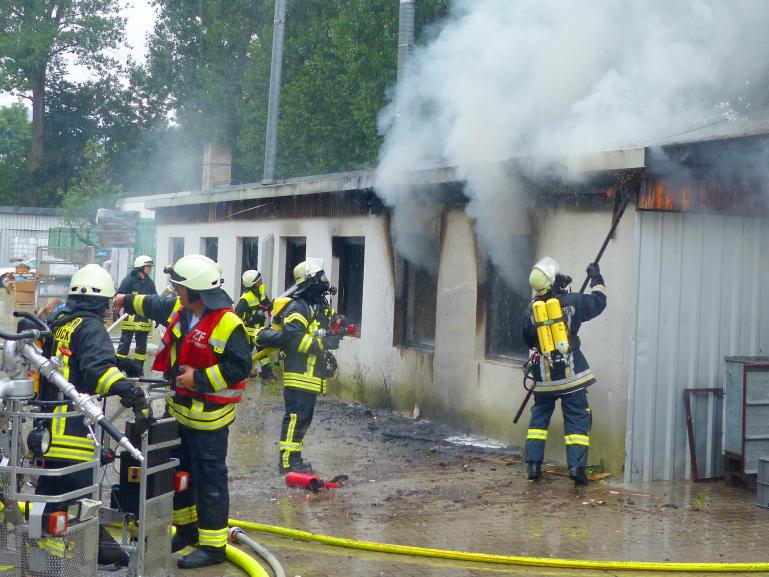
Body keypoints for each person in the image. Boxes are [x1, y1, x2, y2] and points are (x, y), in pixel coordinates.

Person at [114, 254, 251, 569]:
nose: (174, 290)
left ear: (196, 290)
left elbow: (240, 368)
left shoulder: (230, 324)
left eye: (178, 286)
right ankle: (187, 531)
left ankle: (213, 547)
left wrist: (198, 379)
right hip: (179, 414)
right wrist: (124, 298)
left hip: (209, 421)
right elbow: (151, 304)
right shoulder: (180, 309)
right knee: (178, 475)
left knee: (209, 480)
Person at [33, 264, 149, 566]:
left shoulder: (60, 322)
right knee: (76, 502)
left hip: (46, 430)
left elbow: (77, 357)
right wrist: (131, 392)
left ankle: (46, 556)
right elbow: (98, 373)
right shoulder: (92, 326)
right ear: (101, 300)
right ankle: (65, 562)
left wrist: (120, 360)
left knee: (51, 496)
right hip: (74, 433)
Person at [522, 257, 607, 486]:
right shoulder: (573, 302)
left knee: (539, 419)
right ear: (552, 280)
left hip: (544, 377)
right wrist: (596, 277)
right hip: (572, 376)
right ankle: (577, 469)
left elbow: (528, 340)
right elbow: (599, 301)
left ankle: (533, 466)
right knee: (577, 419)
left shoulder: (532, 309)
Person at [256, 258, 341, 474]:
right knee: (295, 417)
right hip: (299, 373)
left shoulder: (318, 305)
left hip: (312, 374)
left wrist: (338, 326)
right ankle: (287, 463)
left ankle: (296, 458)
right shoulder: (297, 307)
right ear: (310, 281)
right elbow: (294, 339)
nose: (324, 280)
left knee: (304, 419)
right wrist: (322, 343)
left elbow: (326, 326)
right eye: (320, 277)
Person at [115, 255, 157, 377]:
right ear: (140, 267)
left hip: (143, 320)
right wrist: (116, 310)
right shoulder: (128, 280)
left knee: (141, 349)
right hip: (130, 319)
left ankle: (138, 370)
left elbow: (154, 299)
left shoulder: (149, 282)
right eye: (147, 266)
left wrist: (156, 316)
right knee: (123, 347)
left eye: (150, 266)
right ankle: (118, 370)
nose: (150, 269)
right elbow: (118, 296)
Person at [235, 269, 273, 381]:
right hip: (249, 332)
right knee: (246, 354)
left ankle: (267, 374)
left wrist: (269, 305)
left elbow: (265, 303)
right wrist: (252, 317)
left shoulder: (261, 291)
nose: (260, 282)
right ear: (252, 285)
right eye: (258, 281)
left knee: (262, 352)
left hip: (259, 330)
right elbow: (236, 316)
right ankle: (241, 373)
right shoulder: (245, 299)